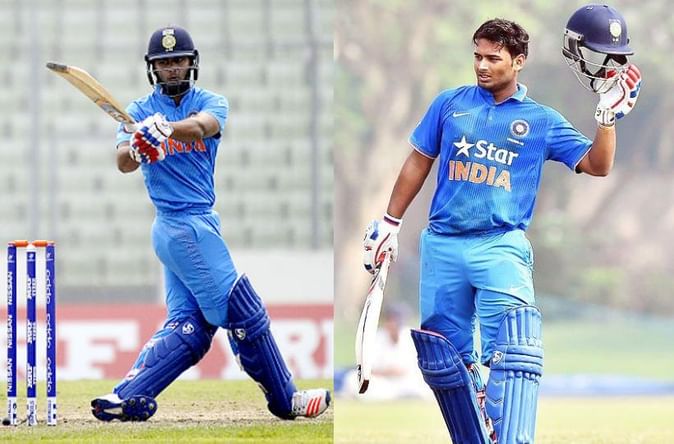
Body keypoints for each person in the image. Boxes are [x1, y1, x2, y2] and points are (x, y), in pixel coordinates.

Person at [362, 10, 640, 444]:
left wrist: (606, 119)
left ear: (518, 61)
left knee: (514, 349)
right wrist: (389, 223)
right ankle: (479, 422)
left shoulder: (541, 120)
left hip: (500, 245)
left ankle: (509, 435)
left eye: (493, 58)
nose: (482, 65)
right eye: (477, 56)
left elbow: (598, 165)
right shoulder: (449, 104)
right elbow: (419, 161)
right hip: (443, 244)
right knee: (444, 360)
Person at [90, 25, 330, 422]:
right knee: (244, 312)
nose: (172, 68)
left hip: (195, 225)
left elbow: (203, 126)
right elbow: (122, 162)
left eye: (179, 60)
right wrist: (137, 147)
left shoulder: (210, 101)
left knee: (191, 327)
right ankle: (287, 399)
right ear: (153, 68)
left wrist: (164, 129)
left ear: (192, 62)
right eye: (164, 63)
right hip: (181, 227)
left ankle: (125, 396)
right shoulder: (137, 111)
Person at [342, 304, 431, 400]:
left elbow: (409, 369)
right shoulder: (378, 337)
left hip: (407, 382)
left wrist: (393, 371)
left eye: (395, 321)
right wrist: (385, 372)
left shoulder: (410, 336)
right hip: (384, 382)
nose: (392, 324)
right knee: (351, 378)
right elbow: (369, 368)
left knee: (423, 386)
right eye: (390, 321)